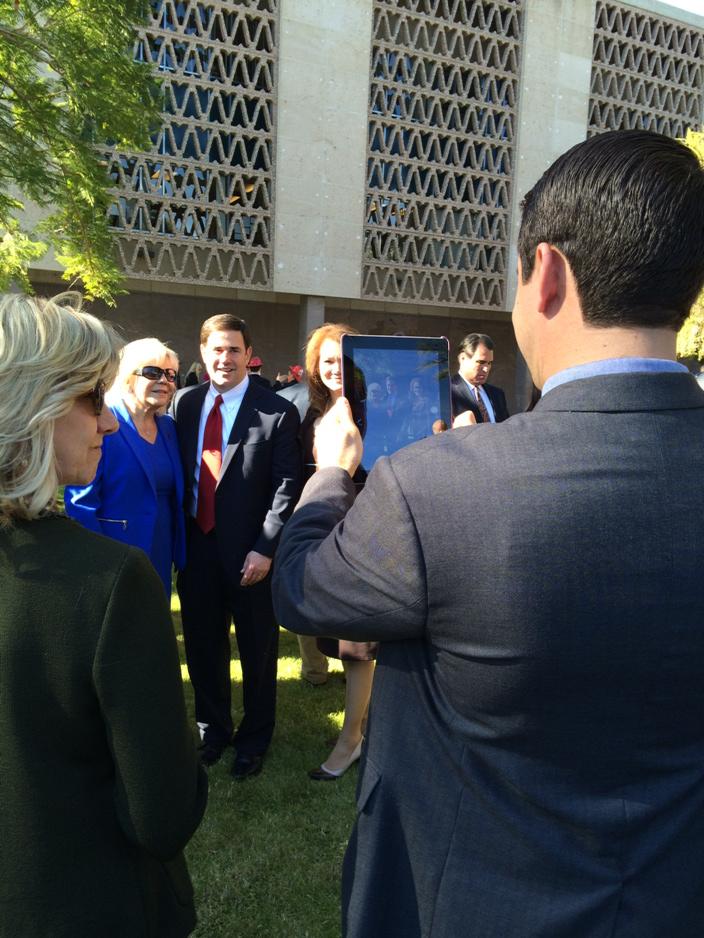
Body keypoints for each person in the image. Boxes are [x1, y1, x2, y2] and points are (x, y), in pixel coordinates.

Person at [272, 130, 704, 937]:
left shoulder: (434, 486)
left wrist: (331, 474)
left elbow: (304, 590)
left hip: (468, 907)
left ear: (545, 273)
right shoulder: (443, 482)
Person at [0, 293, 207, 937]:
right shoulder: (110, 584)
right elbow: (162, 814)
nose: (108, 423)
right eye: (94, 399)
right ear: (33, 406)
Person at [172, 313, 301, 779]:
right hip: (197, 549)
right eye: (216, 349)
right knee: (204, 646)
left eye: (233, 350)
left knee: (257, 650)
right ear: (202, 353)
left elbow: (287, 485)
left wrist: (265, 548)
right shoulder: (185, 405)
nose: (224, 359)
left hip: (251, 554)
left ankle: (254, 738)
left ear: (249, 355)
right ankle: (213, 730)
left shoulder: (277, 411)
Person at [297, 323, 376, 780]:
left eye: (342, 359)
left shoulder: (374, 412)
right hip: (322, 531)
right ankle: (359, 729)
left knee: (357, 645)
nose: (334, 368)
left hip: (367, 531)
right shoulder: (307, 412)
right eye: (326, 359)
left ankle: (350, 741)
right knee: (331, 636)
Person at [65, 338, 186, 597]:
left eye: (170, 374)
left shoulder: (169, 429)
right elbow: (81, 503)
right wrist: (98, 558)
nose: (164, 380)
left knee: (152, 625)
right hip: (115, 551)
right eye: (152, 372)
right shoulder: (105, 425)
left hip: (161, 550)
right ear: (128, 377)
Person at [450, 332, 509, 423]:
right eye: (481, 362)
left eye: (489, 363)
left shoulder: (497, 394)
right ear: (463, 358)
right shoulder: (447, 392)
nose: (486, 369)